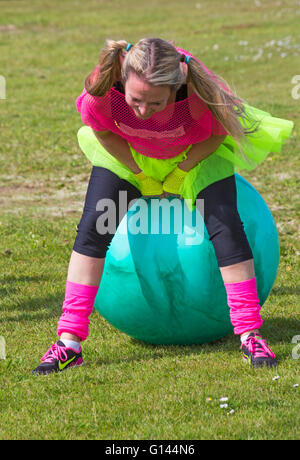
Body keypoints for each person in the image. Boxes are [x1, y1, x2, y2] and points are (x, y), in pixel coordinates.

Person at [32, 38, 293, 375]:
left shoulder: (198, 92)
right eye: (135, 99)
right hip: (132, 158)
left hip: (193, 159)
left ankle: (249, 334)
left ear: (176, 86)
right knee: (95, 226)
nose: (142, 110)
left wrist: (181, 172)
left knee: (225, 225)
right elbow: (103, 133)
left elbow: (217, 134)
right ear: (123, 80)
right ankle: (68, 342)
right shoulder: (104, 89)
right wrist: (139, 173)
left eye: (155, 103)